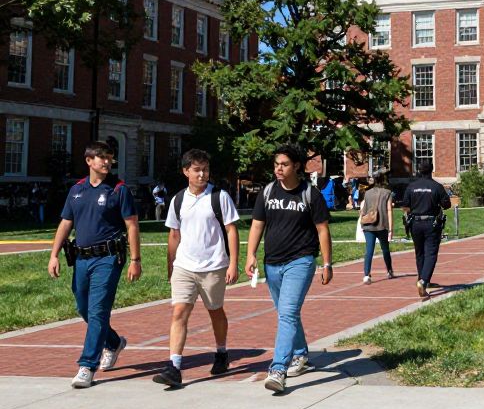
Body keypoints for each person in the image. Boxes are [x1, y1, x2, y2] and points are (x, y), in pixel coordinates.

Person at [46, 141, 142, 389]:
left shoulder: (118, 190)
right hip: (81, 258)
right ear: (89, 161)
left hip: (109, 259)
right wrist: (54, 255)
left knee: (98, 309)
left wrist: (135, 260)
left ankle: (87, 366)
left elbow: (131, 225)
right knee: (83, 307)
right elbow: (66, 223)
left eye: (110, 158)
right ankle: (113, 342)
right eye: (102, 158)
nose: (107, 162)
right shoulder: (77, 190)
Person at [246, 144, 333, 394]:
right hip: (272, 263)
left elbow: (322, 230)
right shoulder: (268, 191)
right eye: (276, 164)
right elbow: (256, 225)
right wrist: (250, 254)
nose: (278, 169)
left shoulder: (310, 193)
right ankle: (300, 354)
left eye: (284, 164)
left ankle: (278, 369)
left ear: (296, 166)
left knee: (287, 312)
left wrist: (327, 263)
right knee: (286, 313)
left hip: (301, 261)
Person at [152, 149, 240, 388]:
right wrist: (170, 267)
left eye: (206, 170)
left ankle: (221, 352)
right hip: (184, 266)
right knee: (179, 312)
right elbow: (173, 235)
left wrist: (233, 263)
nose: (202, 175)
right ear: (186, 172)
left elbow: (232, 230)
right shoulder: (178, 200)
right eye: (197, 170)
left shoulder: (219, 197)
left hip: (213, 266)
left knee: (215, 311)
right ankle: (174, 366)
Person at [406, 159, 451, 298]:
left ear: (419, 170)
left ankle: (423, 279)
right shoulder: (437, 186)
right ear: (432, 170)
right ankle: (424, 281)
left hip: (415, 223)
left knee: (419, 253)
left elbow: (406, 206)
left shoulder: (411, 186)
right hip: (431, 223)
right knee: (431, 253)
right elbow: (446, 205)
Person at [359, 171, 395, 284]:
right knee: (385, 249)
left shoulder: (367, 193)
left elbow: (363, 209)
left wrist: (361, 222)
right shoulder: (387, 192)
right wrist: (391, 228)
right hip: (382, 224)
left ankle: (366, 274)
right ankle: (389, 270)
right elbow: (389, 210)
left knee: (369, 250)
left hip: (368, 224)